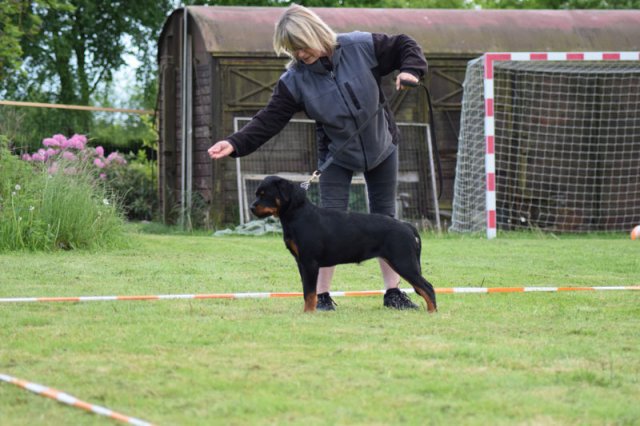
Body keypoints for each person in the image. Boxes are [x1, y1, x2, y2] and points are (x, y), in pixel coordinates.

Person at [208, 4, 428, 311]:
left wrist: (410, 70)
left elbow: (405, 43)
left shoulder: (359, 46)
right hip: (336, 155)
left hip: (382, 146)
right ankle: (323, 297)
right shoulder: (295, 80)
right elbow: (269, 119)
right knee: (325, 223)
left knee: (385, 218)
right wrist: (234, 142)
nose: (299, 54)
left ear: (315, 33)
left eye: (301, 45)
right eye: (291, 49)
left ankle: (393, 293)